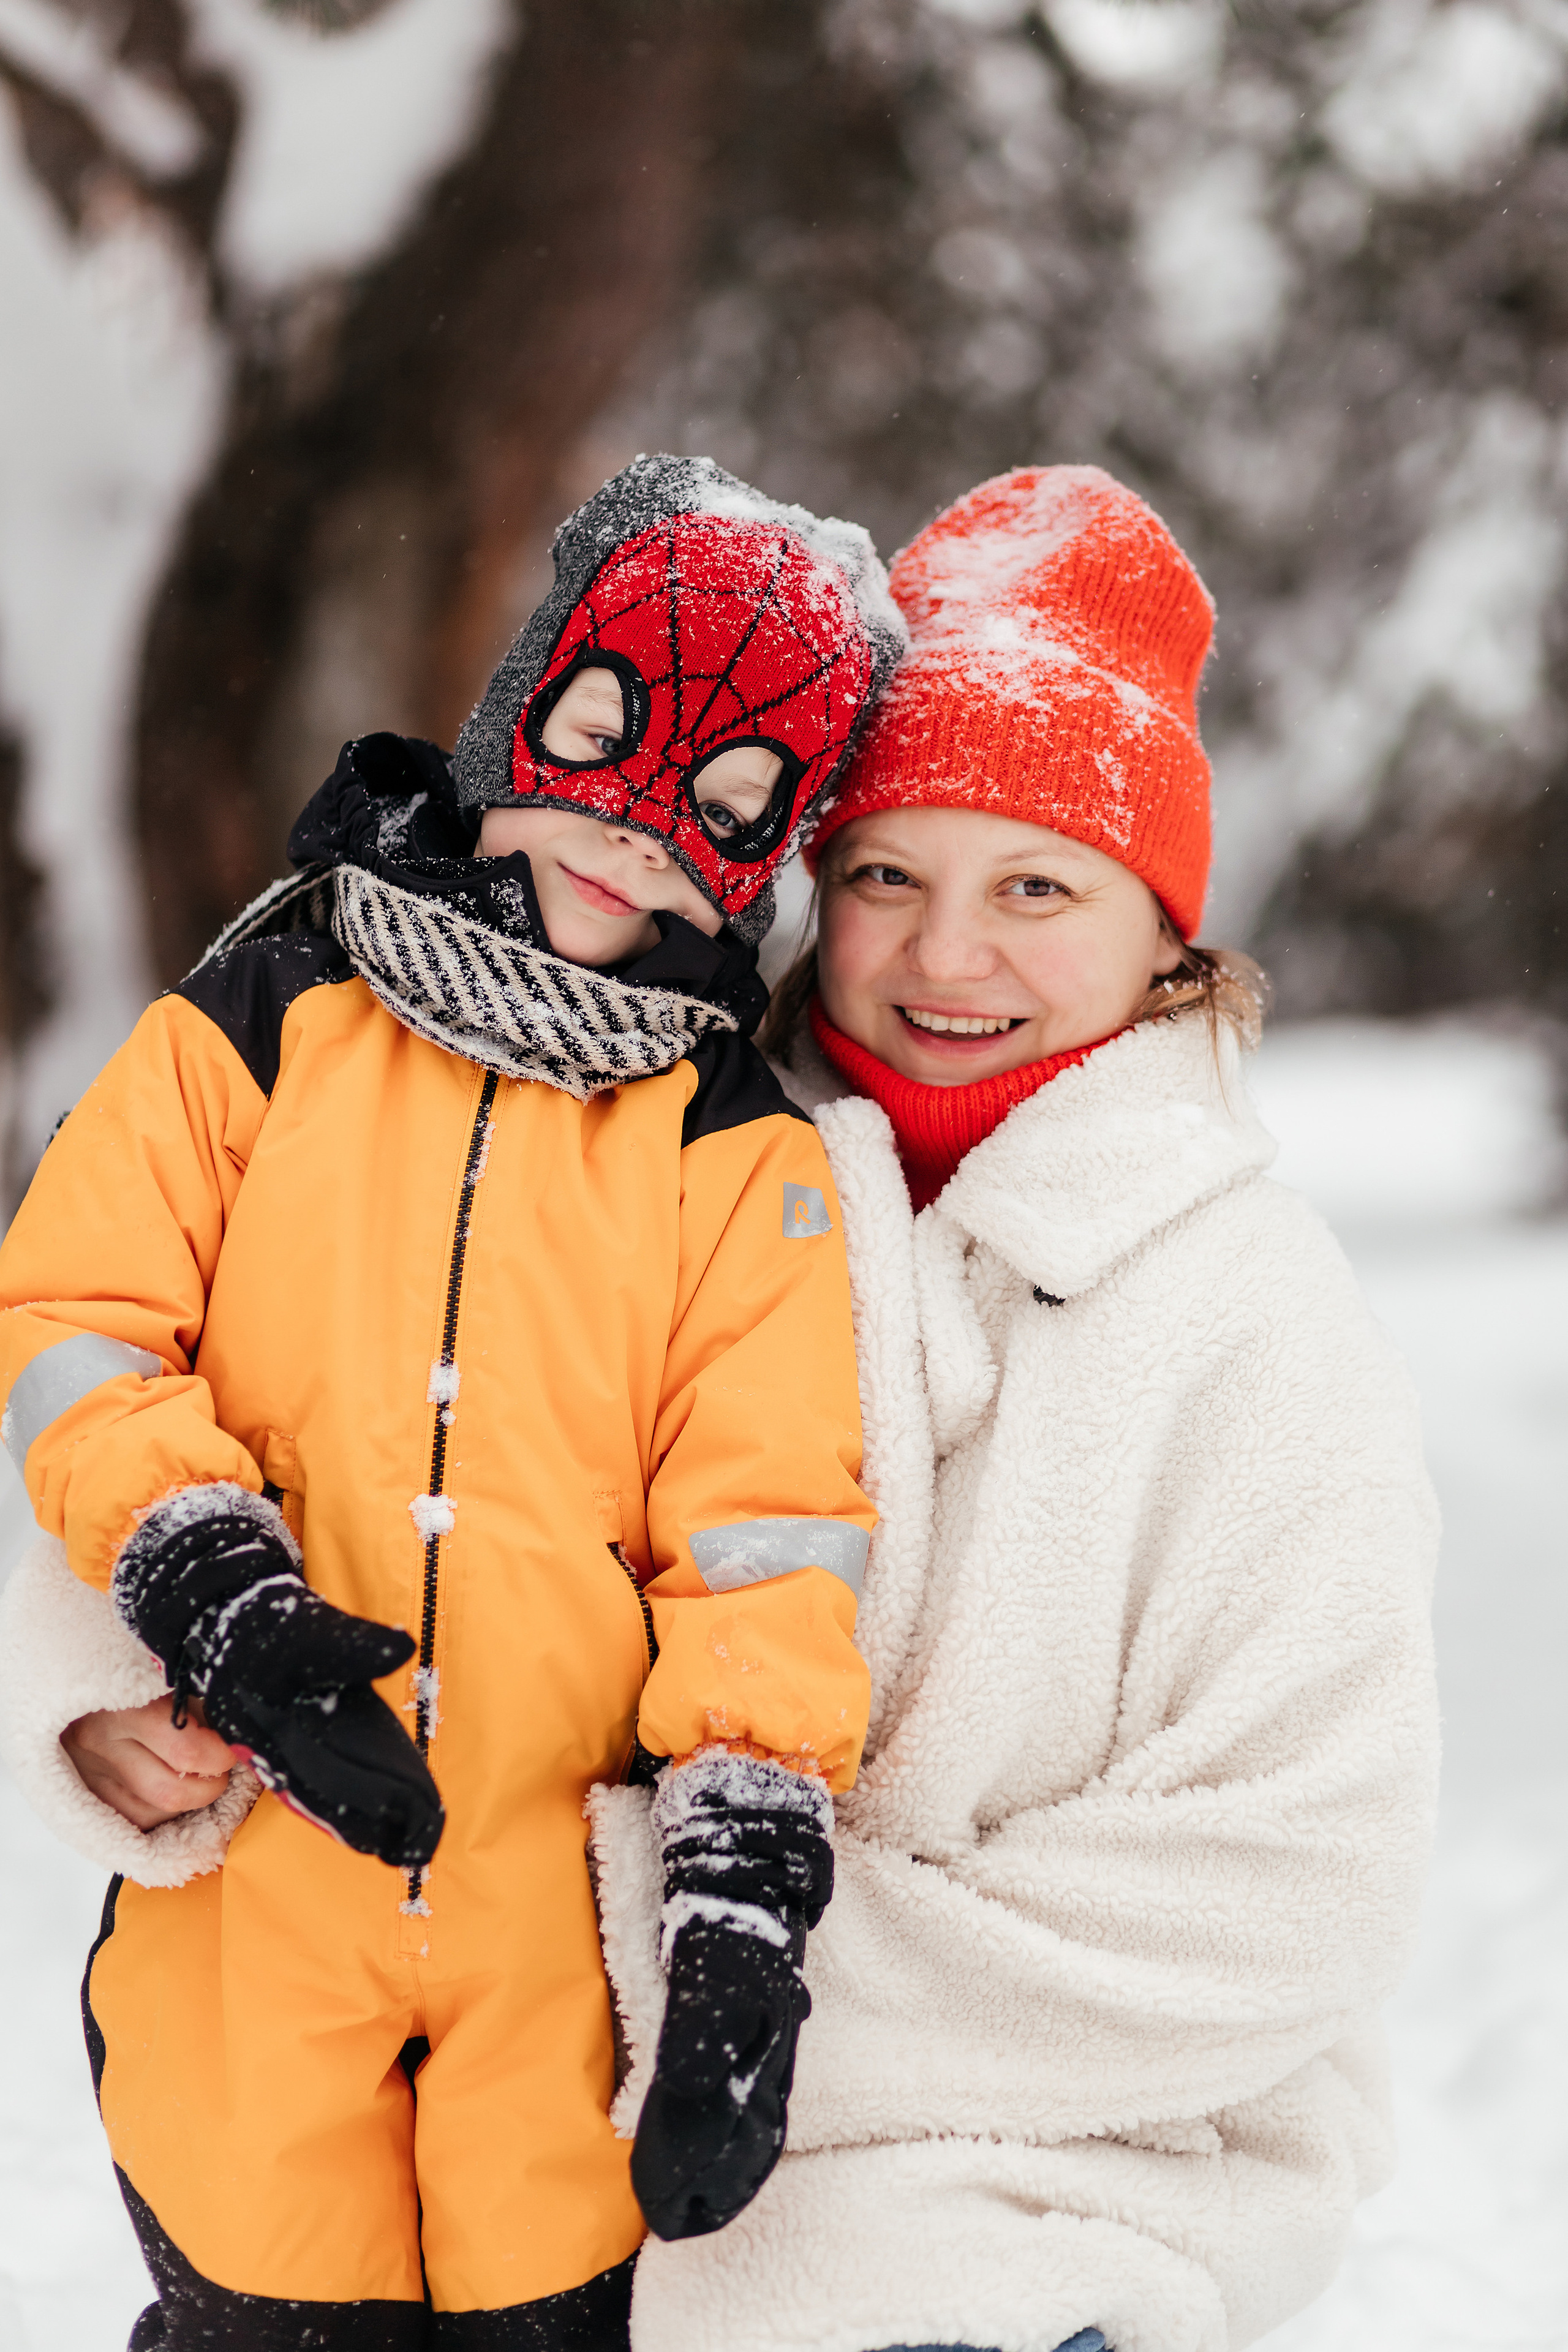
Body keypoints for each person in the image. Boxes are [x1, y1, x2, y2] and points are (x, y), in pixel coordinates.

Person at [0, 454, 907, 2348]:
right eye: (610, 734)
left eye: (726, 806)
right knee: (261, 2296)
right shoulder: (265, 1008)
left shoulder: (738, 1148)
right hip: (255, 1856)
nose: (642, 834)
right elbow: (79, 1317)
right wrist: (208, 1592)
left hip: (553, 1923)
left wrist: (738, 1896)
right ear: (525, 711)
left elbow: (764, 1529)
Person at [588, 466, 1441, 2352]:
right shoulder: (659, 1182)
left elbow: (1292, 1885)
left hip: (1059, 2187)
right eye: (884, 873)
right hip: (548, 2164)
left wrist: (653, 1953)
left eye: (1035, 887)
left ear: (1167, 933)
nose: (945, 957)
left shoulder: (1253, 1317)